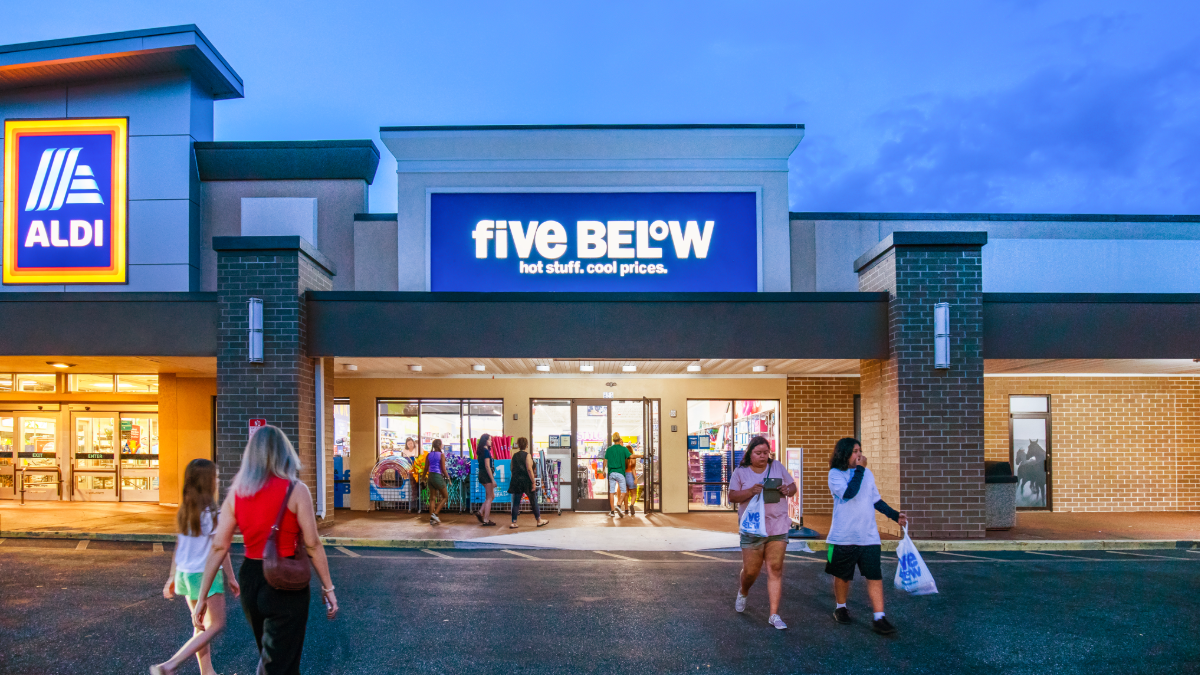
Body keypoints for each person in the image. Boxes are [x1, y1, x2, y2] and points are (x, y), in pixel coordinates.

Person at [191, 425, 339, 674]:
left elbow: (218, 547)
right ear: (284, 453)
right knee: (282, 663)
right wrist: (328, 588)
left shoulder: (237, 494)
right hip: (286, 580)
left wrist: (202, 597)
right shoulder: (296, 490)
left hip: (252, 579)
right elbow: (313, 544)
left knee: (270, 656)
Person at [151, 459, 240, 675]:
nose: (218, 480)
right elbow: (221, 549)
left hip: (185, 574)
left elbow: (180, 545)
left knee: (200, 625)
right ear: (207, 482)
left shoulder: (185, 511)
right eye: (215, 477)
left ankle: (207, 671)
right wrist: (231, 577)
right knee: (216, 624)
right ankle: (170, 665)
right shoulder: (212, 515)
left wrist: (172, 576)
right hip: (204, 576)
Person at [826, 437, 907, 635]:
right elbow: (849, 493)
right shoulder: (835, 474)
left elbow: (875, 500)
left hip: (869, 536)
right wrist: (860, 470)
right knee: (842, 575)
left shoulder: (867, 474)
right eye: (855, 451)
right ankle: (841, 607)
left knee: (874, 576)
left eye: (860, 450)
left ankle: (879, 617)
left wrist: (894, 515)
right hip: (844, 536)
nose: (859, 454)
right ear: (844, 453)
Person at [728, 435, 797, 630]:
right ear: (750, 454)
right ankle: (743, 591)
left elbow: (793, 487)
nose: (763, 456)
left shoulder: (777, 467)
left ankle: (774, 614)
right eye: (758, 453)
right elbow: (732, 496)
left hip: (777, 525)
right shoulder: (740, 472)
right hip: (752, 528)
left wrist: (787, 489)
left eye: (766, 452)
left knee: (775, 568)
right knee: (751, 571)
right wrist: (750, 491)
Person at [508, 437, 550, 529]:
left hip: (516, 481)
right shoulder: (527, 455)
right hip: (526, 481)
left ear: (519, 445)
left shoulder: (514, 456)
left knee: (516, 501)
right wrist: (533, 482)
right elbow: (529, 469)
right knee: (533, 500)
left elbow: (511, 468)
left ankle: (513, 522)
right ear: (527, 445)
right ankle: (539, 520)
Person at [603, 432, 631, 518]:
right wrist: (641, 456)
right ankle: (618, 505)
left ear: (613, 440)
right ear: (619, 439)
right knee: (623, 491)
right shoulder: (623, 449)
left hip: (611, 473)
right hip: (620, 473)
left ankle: (612, 512)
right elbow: (631, 456)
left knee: (611, 492)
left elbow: (605, 460)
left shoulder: (609, 449)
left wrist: (603, 471)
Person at [474, 433, 497, 526]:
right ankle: (486, 519)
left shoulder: (480, 451)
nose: (491, 441)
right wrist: (492, 479)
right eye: (489, 439)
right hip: (486, 475)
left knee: (491, 496)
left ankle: (480, 512)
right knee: (489, 498)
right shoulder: (486, 451)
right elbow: (487, 466)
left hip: (481, 474)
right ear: (485, 441)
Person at [426, 439, 449, 525]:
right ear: (440, 446)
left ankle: (432, 519)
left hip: (430, 477)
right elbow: (443, 469)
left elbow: (426, 468)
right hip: (438, 477)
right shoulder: (441, 455)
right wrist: (448, 477)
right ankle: (435, 514)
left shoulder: (429, 455)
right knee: (445, 496)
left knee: (432, 498)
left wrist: (424, 478)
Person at [623, 443, 642, 516]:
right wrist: (635, 478)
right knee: (634, 493)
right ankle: (631, 505)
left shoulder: (623, 458)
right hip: (630, 475)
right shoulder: (633, 458)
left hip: (624, 476)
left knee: (626, 494)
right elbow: (633, 469)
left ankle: (626, 509)